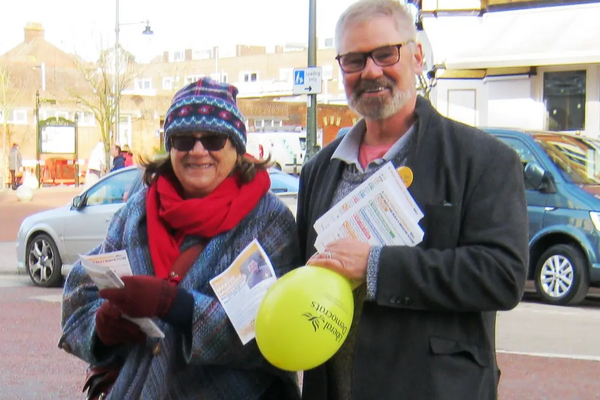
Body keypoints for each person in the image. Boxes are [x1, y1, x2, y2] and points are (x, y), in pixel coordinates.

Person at [296, 1, 529, 400]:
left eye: (386, 53)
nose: (371, 71)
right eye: (353, 60)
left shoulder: (483, 159)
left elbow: (502, 276)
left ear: (417, 56)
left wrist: (375, 265)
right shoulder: (319, 169)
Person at [59, 78, 302, 400]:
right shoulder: (138, 211)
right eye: (184, 139)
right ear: (170, 146)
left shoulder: (269, 221)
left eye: (213, 139)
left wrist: (178, 306)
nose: (198, 151)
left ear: (236, 146)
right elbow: (82, 288)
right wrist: (101, 329)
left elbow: (272, 333)